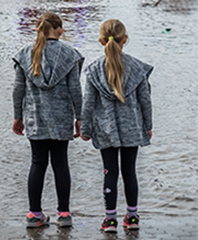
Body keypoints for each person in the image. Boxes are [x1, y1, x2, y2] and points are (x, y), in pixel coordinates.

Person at [12, 12, 84, 228]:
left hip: (36, 118)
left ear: (38, 29)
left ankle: (34, 215)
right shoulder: (70, 54)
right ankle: (64, 215)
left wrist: (18, 116)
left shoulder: (25, 54)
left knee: (37, 163)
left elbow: (18, 90)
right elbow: (75, 90)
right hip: (62, 119)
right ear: (60, 30)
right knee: (61, 164)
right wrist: (79, 117)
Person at [81, 19, 153, 233]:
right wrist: (148, 125)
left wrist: (85, 129)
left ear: (101, 41)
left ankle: (110, 220)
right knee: (129, 172)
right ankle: (132, 218)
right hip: (132, 127)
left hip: (105, 130)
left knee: (109, 172)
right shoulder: (137, 68)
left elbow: (88, 104)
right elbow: (145, 101)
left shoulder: (93, 70)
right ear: (125, 40)